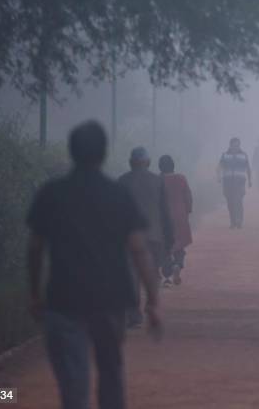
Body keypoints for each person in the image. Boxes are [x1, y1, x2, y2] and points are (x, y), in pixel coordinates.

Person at [26, 121, 162, 409]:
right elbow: (139, 250)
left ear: (71, 152)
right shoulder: (118, 195)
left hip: (64, 298)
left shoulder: (52, 194)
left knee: (73, 380)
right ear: (103, 154)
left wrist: (35, 294)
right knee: (111, 369)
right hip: (111, 299)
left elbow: (35, 248)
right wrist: (152, 299)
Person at [119, 147, 174, 294]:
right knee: (152, 273)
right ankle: (151, 304)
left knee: (132, 276)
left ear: (131, 162)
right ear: (148, 162)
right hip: (153, 237)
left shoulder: (122, 181)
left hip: (129, 238)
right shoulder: (157, 181)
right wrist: (170, 239)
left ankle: (134, 312)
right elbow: (165, 213)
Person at [158, 155, 193, 285]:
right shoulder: (181, 178)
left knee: (165, 247)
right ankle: (178, 264)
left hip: (163, 218)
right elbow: (188, 196)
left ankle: (167, 274)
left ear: (160, 167)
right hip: (180, 216)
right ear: (173, 166)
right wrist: (187, 211)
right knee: (180, 244)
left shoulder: (157, 180)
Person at [217, 137, 252, 229]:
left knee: (238, 201)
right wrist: (218, 176)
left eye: (237, 145)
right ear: (230, 145)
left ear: (239, 145)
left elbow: (248, 168)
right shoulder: (225, 155)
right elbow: (219, 166)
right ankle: (232, 221)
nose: (235, 147)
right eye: (234, 145)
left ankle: (239, 221)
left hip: (240, 182)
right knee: (230, 202)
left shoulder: (244, 155)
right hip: (228, 182)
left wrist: (250, 180)